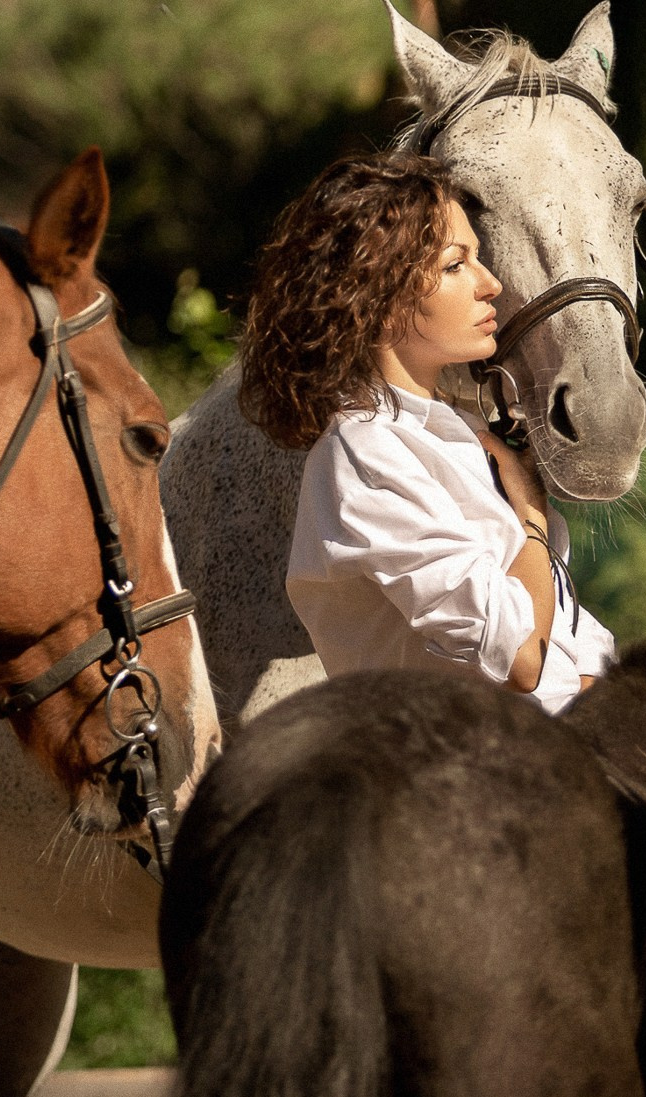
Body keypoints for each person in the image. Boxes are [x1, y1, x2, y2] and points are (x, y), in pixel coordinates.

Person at [238, 151, 616, 712]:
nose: (491, 284)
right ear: (381, 301)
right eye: (454, 265)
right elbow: (520, 656)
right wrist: (532, 513)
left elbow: (566, 639)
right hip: (458, 780)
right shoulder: (366, 453)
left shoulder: (457, 433)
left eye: (478, 259)